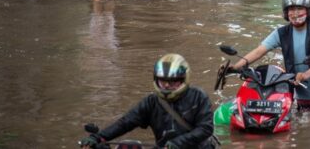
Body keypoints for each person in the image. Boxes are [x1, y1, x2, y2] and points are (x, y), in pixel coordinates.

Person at [229, 0, 310, 116]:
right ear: (286, 13)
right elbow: (259, 51)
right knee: (305, 130)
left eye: (299, 8)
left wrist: (305, 75)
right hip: (303, 95)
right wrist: (234, 67)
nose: (295, 13)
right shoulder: (281, 33)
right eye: (291, 9)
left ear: (308, 10)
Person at [79, 54, 216, 149]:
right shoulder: (151, 102)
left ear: (183, 80)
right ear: (156, 79)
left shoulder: (199, 96)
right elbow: (126, 122)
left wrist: (179, 143)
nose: (167, 86)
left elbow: (205, 128)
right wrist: (98, 137)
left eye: (172, 81)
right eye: (163, 81)